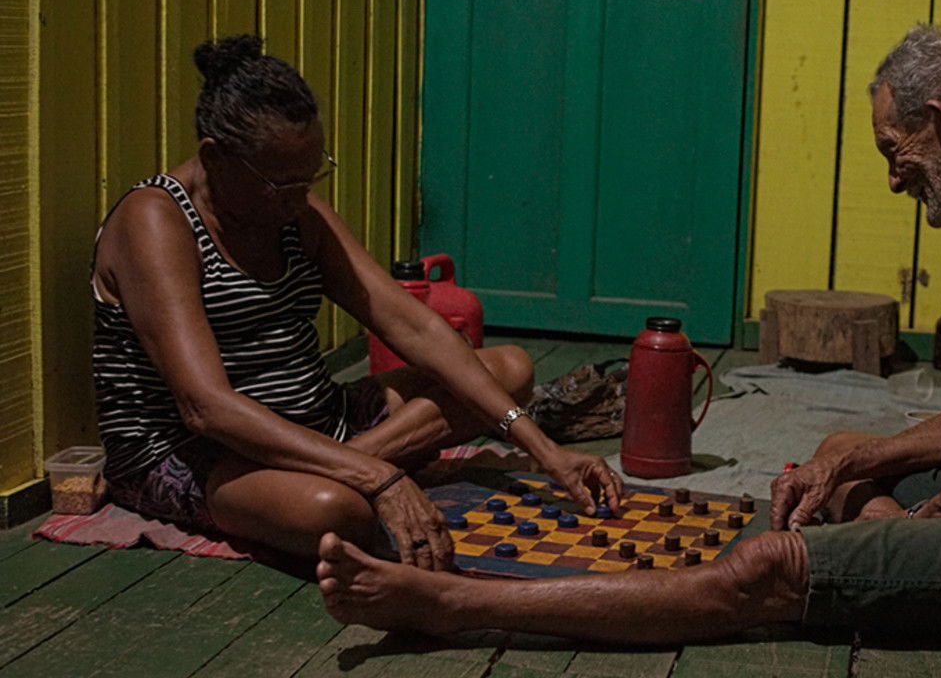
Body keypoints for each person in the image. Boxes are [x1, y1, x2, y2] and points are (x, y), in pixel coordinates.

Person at [313, 24, 941, 645]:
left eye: (897, 150)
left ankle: (447, 605)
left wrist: (922, 524)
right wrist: (858, 462)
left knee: (764, 568)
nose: (895, 182)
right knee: (843, 456)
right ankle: (875, 543)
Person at [92, 34, 623, 569]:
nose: (300, 200)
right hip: (201, 455)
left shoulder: (296, 211)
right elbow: (206, 408)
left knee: (507, 369)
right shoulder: (155, 221)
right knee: (337, 513)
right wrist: (378, 477)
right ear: (214, 156)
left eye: (311, 176)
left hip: (322, 423)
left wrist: (543, 449)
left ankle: (339, 466)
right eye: (280, 186)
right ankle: (343, 474)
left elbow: (413, 327)